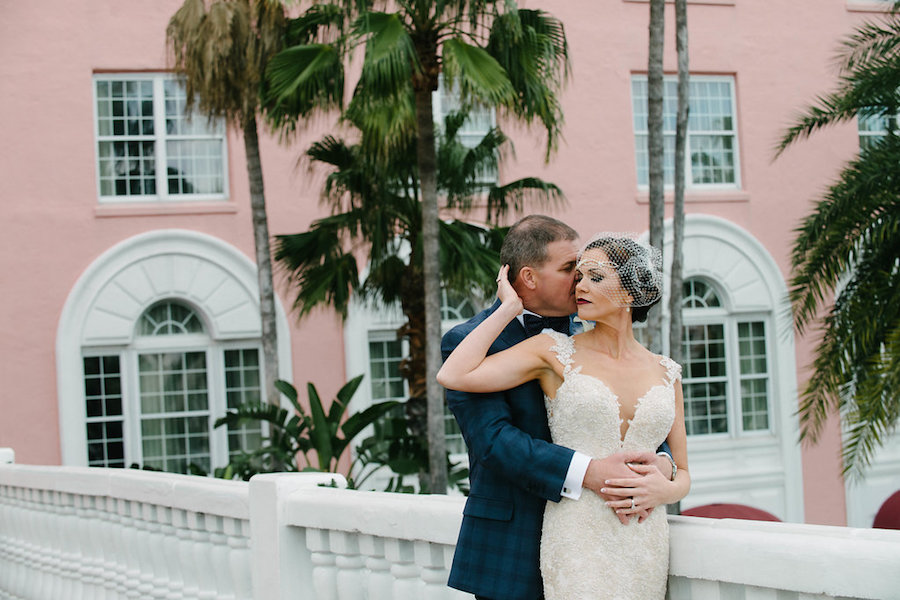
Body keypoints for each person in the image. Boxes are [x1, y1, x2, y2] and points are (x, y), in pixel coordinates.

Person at [440, 216, 682, 600]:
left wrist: (662, 465)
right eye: (570, 269)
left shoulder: (589, 324)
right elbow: (493, 441)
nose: (579, 282)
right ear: (530, 277)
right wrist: (591, 472)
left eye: (588, 271)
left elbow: (633, 417)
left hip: (614, 533)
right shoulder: (468, 341)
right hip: (512, 545)